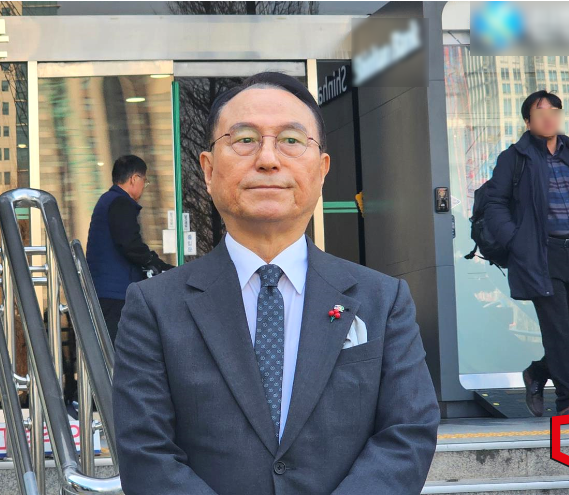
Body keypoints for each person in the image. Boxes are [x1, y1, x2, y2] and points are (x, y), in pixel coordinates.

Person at [113, 72, 440, 495]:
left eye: (290, 140)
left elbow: (407, 433)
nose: (268, 159)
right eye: (245, 139)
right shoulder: (154, 306)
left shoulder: (383, 299)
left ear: (321, 170)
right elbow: (145, 453)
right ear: (208, 170)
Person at [484, 90, 569, 418]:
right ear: (528, 121)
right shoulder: (515, 158)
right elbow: (494, 203)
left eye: (554, 111)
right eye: (540, 113)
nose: (548, 117)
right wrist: (516, 241)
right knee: (557, 330)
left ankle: (538, 372)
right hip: (540, 254)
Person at [86, 154, 174, 342]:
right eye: (144, 181)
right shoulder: (120, 202)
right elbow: (129, 243)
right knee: (120, 351)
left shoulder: (107, 200)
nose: (144, 186)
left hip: (105, 290)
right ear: (134, 179)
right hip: (115, 293)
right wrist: (155, 263)